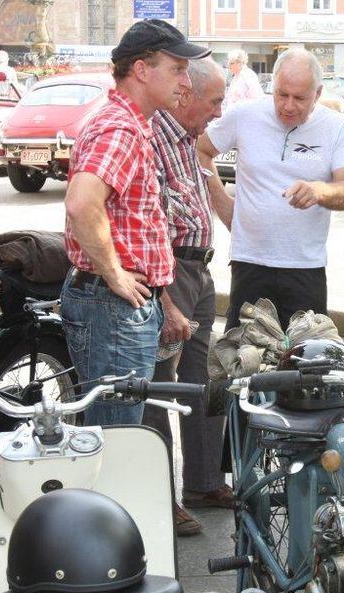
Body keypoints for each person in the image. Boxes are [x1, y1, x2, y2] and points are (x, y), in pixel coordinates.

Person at [61, 19, 210, 427]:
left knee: (117, 429)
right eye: (177, 69)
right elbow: (81, 204)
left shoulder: (130, 123)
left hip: (119, 307)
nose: (185, 81)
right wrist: (114, 274)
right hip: (113, 309)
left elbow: (125, 224)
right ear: (142, 70)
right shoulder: (120, 128)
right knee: (117, 435)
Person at [198, 48, 344, 330]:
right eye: (281, 94)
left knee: (304, 362)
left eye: (299, 98)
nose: (288, 105)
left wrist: (320, 191)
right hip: (250, 261)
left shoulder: (337, 127)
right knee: (243, 357)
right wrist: (223, 204)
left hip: (305, 266)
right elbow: (201, 150)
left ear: (318, 93)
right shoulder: (246, 115)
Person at [143, 57, 230, 537]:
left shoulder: (186, 138)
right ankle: (159, 493)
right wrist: (164, 296)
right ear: (187, 95)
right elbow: (149, 218)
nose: (219, 111)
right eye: (214, 100)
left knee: (202, 378)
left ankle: (203, 481)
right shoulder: (154, 135)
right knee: (160, 385)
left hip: (199, 267)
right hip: (171, 268)